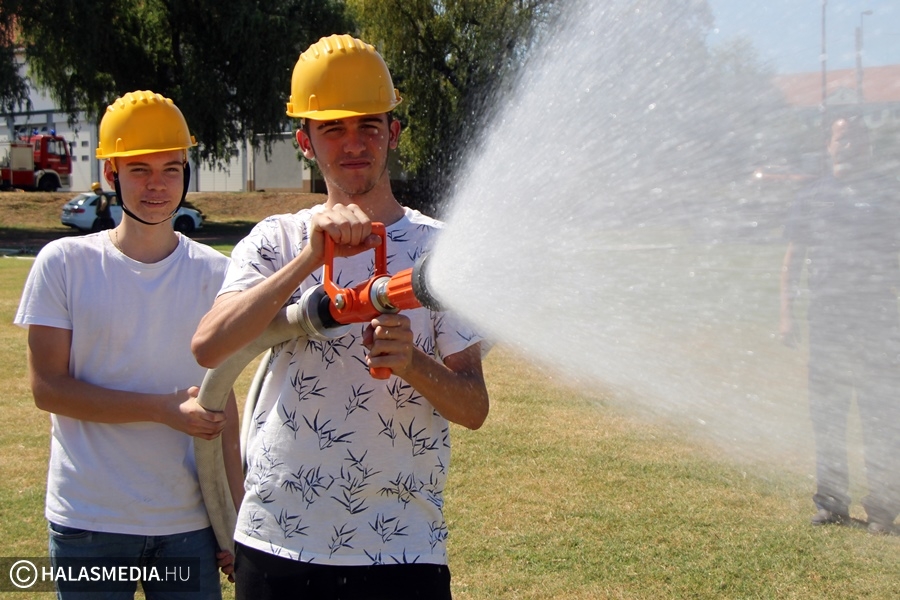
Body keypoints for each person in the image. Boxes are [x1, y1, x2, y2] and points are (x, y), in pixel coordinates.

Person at [192, 34, 490, 599]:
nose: (353, 143)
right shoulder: (275, 240)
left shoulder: (443, 252)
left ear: (393, 133)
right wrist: (310, 257)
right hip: (278, 544)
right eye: (332, 128)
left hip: (402, 549)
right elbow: (209, 348)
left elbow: (473, 408)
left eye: (368, 126)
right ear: (305, 140)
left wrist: (412, 363)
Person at [15, 90, 243, 598]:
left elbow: (222, 402)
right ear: (112, 174)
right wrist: (162, 410)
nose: (157, 185)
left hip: (188, 524)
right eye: (139, 169)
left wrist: (235, 517)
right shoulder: (63, 264)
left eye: (171, 167)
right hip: (89, 523)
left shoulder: (217, 273)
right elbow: (48, 389)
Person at [780, 115, 900, 536]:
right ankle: (831, 503)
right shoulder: (812, 196)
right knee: (827, 412)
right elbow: (793, 259)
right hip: (828, 319)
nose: (848, 145)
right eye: (841, 138)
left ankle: (884, 510)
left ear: (868, 147)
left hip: (877, 319)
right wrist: (787, 313)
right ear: (828, 146)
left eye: (856, 139)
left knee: (880, 414)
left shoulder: (888, 194)